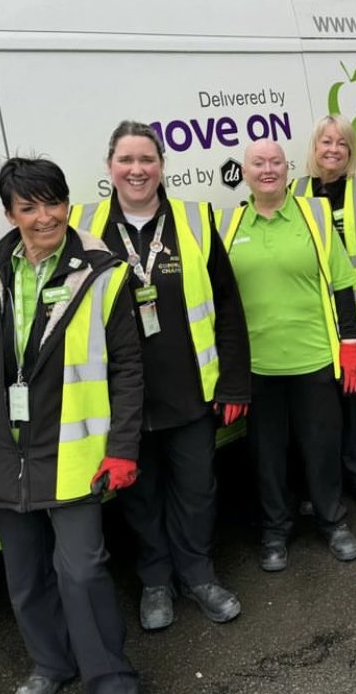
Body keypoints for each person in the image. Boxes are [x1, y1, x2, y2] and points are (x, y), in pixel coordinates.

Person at [0, 157, 143, 694]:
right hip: (2, 454)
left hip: (72, 454)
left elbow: (127, 368)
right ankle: (52, 664)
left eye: (53, 203)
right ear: (10, 214)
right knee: (25, 578)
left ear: (68, 204)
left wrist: (123, 448)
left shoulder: (104, 272)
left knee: (82, 571)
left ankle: (109, 675)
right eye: (29, 207)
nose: (45, 217)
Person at [69, 120, 250, 631]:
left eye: (146, 159)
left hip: (190, 391)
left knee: (197, 490)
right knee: (140, 496)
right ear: (109, 167)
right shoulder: (83, 226)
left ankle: (198, 575)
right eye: (126, 160)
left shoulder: (194, 220)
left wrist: (234, 381)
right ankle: (154, 581)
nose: (137, 169)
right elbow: (28, 256)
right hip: (119, 399)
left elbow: (229, 306)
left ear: (162, 166)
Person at [217, 139, 356, 572]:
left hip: (314, 356)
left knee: (321, 447)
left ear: (287, 169)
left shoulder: (314, 215)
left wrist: (350, 343)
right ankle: (275, 531)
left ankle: (332, 521)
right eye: (257, 163)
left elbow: (341, 283)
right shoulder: (227, 226)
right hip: (257, 366)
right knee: (267, 454)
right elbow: (220, 301)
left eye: (275, 162)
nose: (267, 170)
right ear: (243, 171)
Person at [291, 114, 356, 512]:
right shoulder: (292, 191)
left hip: (353, 319)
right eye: (326, 142)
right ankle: (316, 485)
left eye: (342, 144)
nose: (333, 150)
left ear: (351, 152)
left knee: (353, 403)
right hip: (310, 323)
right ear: (314, 148)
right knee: (314, 413)